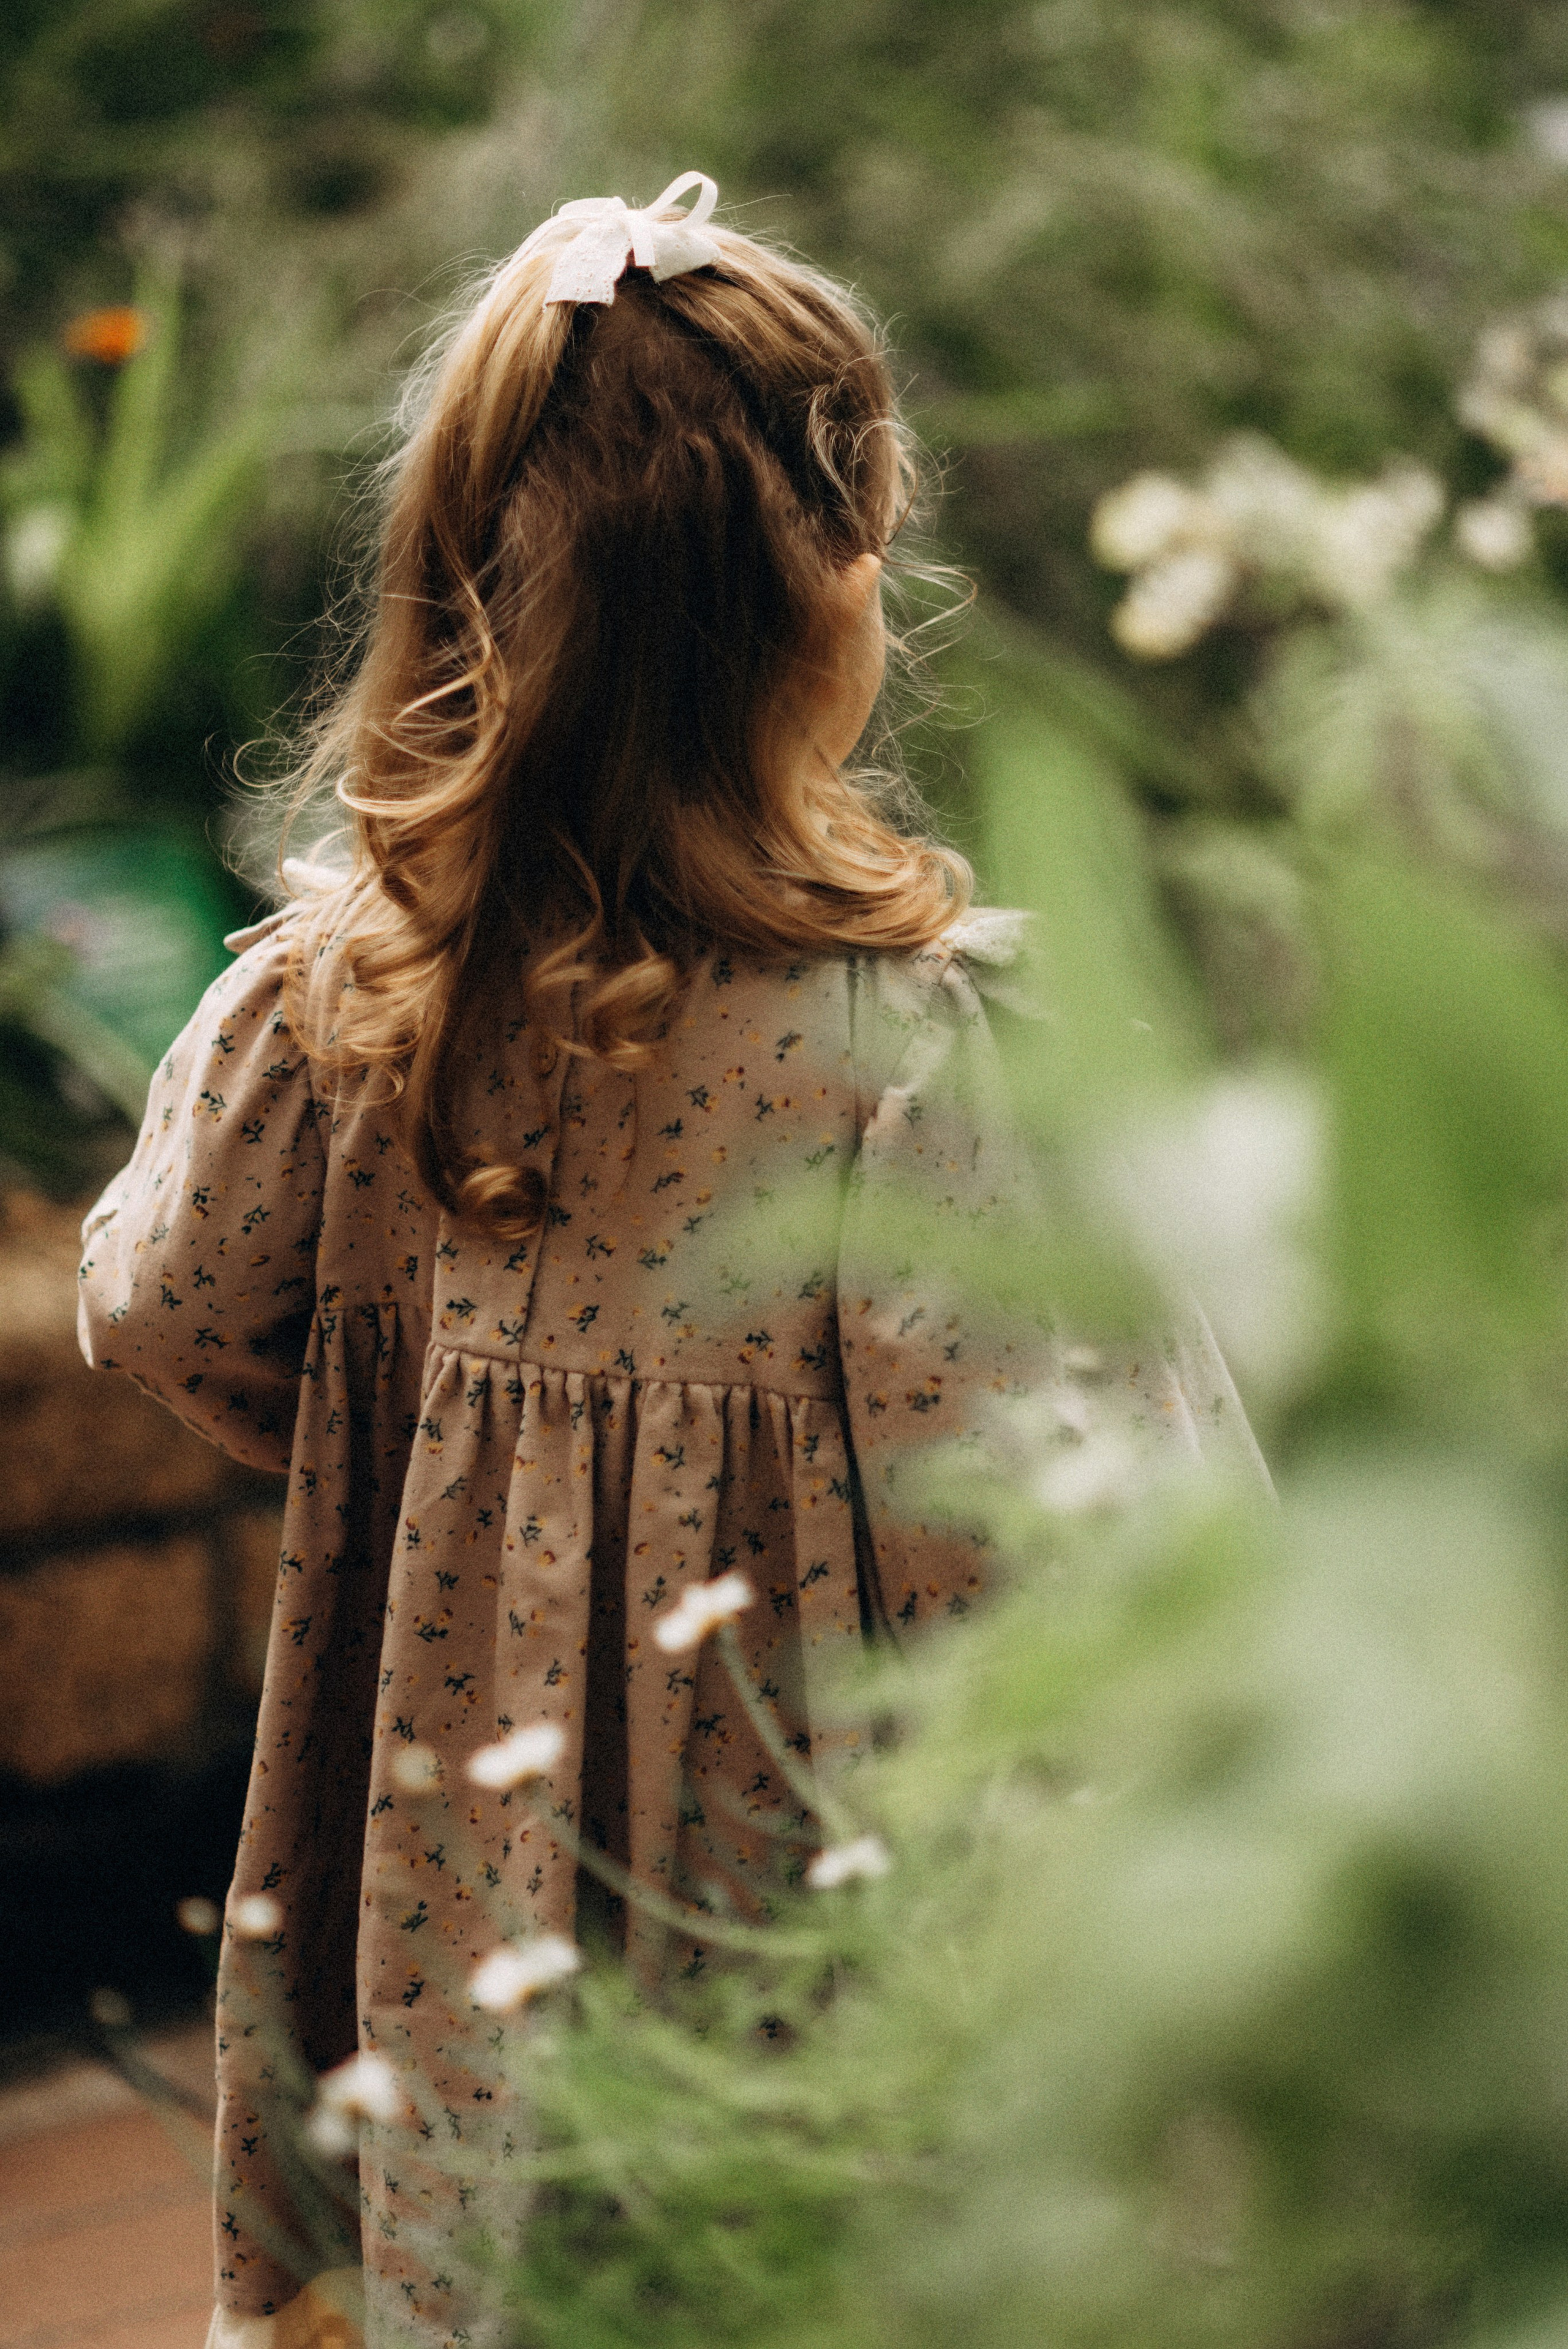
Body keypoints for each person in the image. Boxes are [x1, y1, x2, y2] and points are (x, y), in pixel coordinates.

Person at [77, 174, 1259, 2349]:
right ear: (837, 597)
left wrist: (410, 1442)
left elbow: (162, 1307)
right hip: (795, 1952)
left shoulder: (333, 1012)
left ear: (453, 587)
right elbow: (1057, 1542)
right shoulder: (919, 1061)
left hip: (437, 1933)